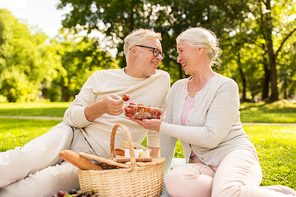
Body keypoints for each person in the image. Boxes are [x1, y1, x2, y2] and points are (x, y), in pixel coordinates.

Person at [0, 29, 170, 197]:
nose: (159, 57)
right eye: (154, 51)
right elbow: (70, 116)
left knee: (44, 183)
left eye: (161, 53)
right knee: (25, 157)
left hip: (97, 159)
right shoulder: (101, 77)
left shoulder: (162, 80)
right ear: (133, 50)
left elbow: (156, 127)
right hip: (71, 134)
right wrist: (101, 107)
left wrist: (155, 168)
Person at [132, 27, 296, 197]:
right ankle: (241, 190)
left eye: (181, 50)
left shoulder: (225, 86)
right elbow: (168, 137)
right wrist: (162, 174)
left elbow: (211, 137)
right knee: (174, 181)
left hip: (233, 155)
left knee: (226, 193)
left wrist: (160, 126)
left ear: (200, 49)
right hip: (202, 166)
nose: (178, 58)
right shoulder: (178, 88)